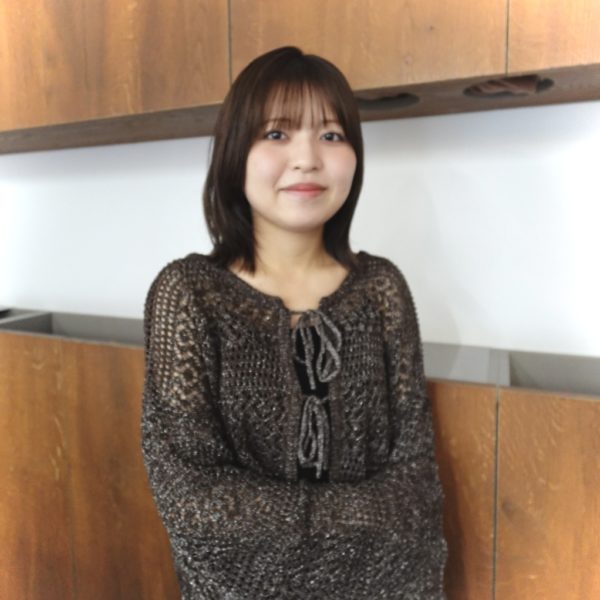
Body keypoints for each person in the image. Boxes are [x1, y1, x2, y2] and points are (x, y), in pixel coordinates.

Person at [140, 46, 448, 599]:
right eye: (277, 133)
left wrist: (299, 526)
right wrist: (359, 520)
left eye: (331, 134)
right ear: (235, 151)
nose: (307, 159)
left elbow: (415, 488)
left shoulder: (381, 290)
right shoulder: (189, 294)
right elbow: (195, 504)